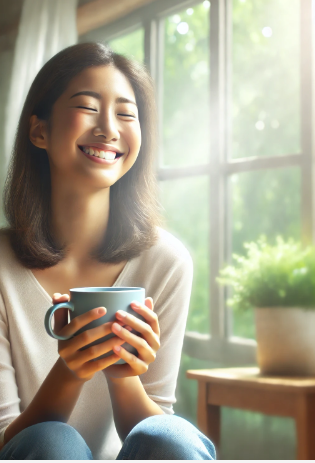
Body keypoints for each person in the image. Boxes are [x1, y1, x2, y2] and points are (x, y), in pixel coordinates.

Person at [0, 42, 215, 460]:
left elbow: (151, 429)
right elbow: (6, 441)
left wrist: (122, 374)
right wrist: (69, 372)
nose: (109, 129)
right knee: (49, 442)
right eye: (88, 106)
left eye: (126, 113)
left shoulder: (166, 261)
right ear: (39, 130)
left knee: (169, 436)